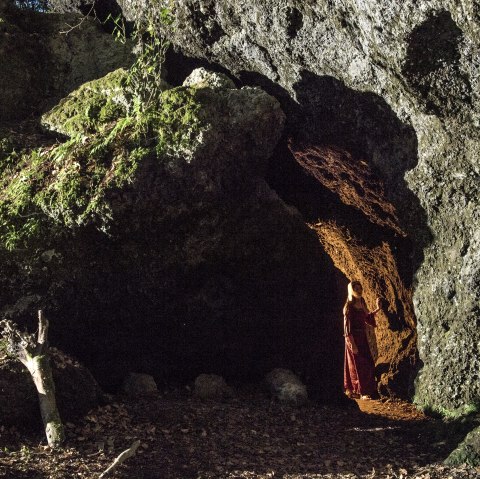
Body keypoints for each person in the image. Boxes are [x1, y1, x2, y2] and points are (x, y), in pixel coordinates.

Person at [343, 280, 383, 400]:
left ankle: (367, 390)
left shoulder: (362, 302)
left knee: (368, 363)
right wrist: (352, 345)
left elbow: (367, 317)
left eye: (360, 288)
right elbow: (347, 329)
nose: (359, 291)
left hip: (362, 338)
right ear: (351, 291)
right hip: (353, 339)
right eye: (356, 289)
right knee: (358, 366)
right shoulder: (349, 307)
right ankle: (361, 392)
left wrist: (378, 309)